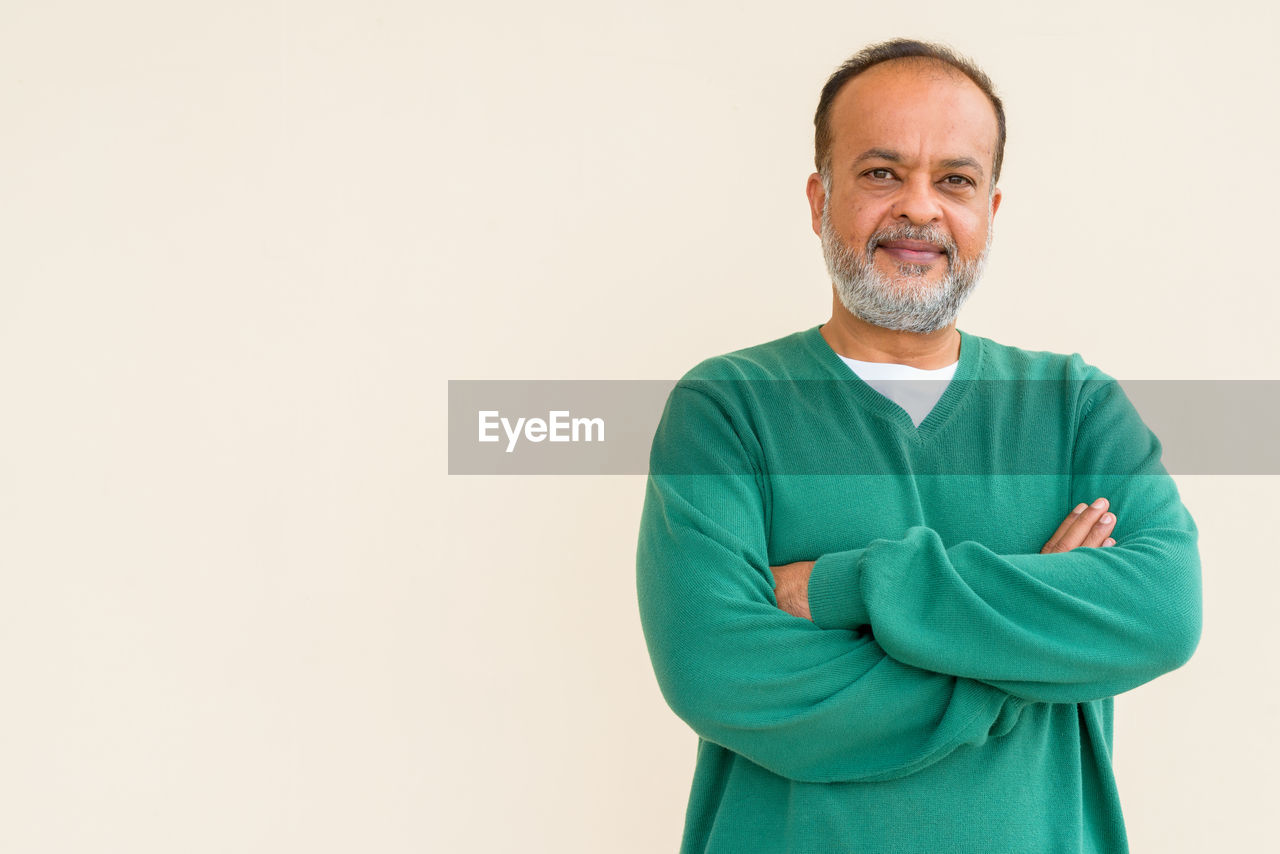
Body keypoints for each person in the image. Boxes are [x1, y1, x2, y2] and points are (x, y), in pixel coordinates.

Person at [636, 39, 1201, 854]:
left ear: (991, 213)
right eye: (880, 172)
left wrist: (856, 587)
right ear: (818, 198)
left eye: (955, 180)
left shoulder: (1075, 406)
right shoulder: (727, 409)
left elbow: (1164, 612)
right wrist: (1029, 653)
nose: (920, 208)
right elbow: (716, 671)